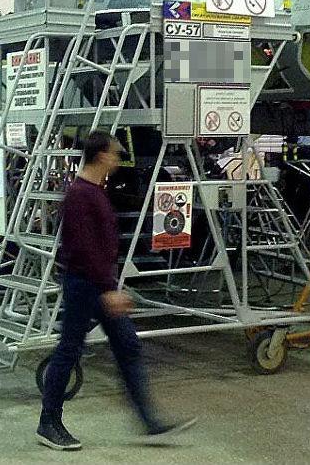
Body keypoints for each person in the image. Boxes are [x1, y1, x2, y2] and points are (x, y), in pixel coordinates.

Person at [37, 131, 196, 451]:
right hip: (85, 284)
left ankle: (150, 422)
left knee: (127, 345)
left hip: (98, 283)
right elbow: (84, 249)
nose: (117, 159)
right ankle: (48, 423)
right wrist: (108, 289)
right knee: (69, 351)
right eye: (114, 153)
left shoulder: (96, 190)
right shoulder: (80, 194)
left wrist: (109, 285)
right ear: (100, 156)